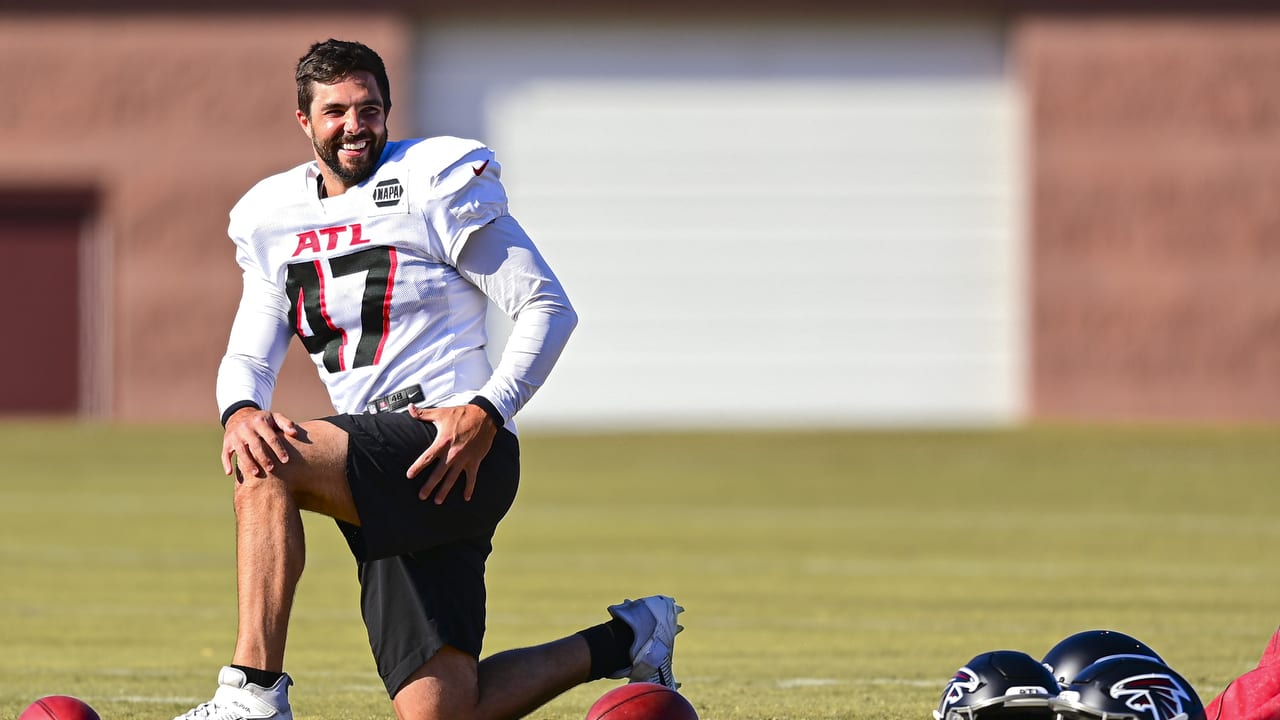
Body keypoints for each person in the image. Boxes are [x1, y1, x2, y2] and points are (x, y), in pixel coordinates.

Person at [173, 38, 683, 720]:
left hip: (457, 444)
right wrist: (238, 409)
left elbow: (547, 308)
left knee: (271, 462)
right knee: (445, 713)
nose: (355, 125)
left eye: (370, 109)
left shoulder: (431, 179)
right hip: (385, 469)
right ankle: (629, 638)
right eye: (336, 112)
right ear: (304, 120)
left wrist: (487, 410)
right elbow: (250, 359)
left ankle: (252, 696)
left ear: (388, 111)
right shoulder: (274, 217)